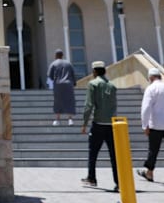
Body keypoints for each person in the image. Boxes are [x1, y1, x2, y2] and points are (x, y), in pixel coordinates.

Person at [80, 61, 119, 191]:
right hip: (111, 124)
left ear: (94, 71)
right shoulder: (112, 86)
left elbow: (89, 105)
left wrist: (84, 123)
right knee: (114, 154)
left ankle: (92, 177)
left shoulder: (93, 84)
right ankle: (118, 181)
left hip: (98, 124)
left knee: (93, 152)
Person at [136, 67, 164, 183]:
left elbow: (146, 108)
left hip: (156, 124)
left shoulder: (151, 89)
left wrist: (145, 125)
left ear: (150, 78)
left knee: (153, 150)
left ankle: (149, 173)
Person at [47, 49, 76, 126]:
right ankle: (70, 120)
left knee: (57, 101)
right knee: (69, 101)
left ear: (56, 55)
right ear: (62, 55)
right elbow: (73, 74)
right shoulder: (68, 64)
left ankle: (57, 120)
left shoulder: (53, 64)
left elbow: (49, 75)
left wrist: (55, 79)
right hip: (68, 84)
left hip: (58, 84)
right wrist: (74, 83)